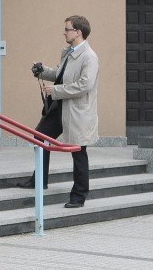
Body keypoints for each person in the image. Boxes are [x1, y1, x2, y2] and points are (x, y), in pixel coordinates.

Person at [27, 15, 99, 208]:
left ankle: (79, 196)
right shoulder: (68, 52)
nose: (64, 32)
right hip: (60, 107)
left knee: (78, 151)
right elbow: (60, 74)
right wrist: (41, 71)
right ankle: (38, 180)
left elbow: (84, 85)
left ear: (78, 32)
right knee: (40, 137)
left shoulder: (89, 57)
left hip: (77, 111)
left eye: (67, 29)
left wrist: (56, 91)